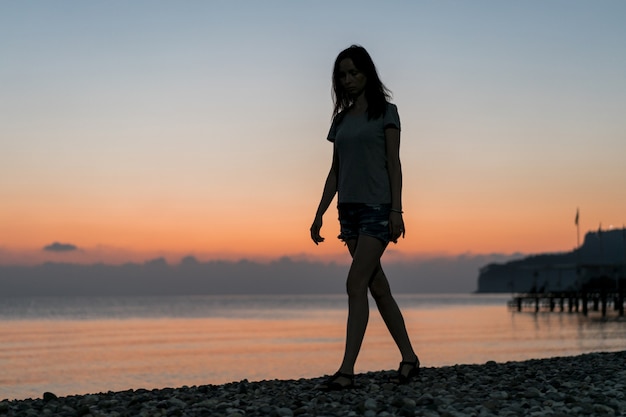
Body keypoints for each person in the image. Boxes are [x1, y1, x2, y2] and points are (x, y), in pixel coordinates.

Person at [310, 45, 420, 391]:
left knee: (354, 284)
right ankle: (410, 358)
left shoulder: (387, 113)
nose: (348, 80)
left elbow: (394, 163)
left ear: (367, 73)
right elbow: (335, 170)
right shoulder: (340, 120)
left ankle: (346, 370)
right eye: (342, 75)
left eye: (354, 73)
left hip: (377, 209)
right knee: (378, 288)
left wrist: (396, 210)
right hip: (349, 213)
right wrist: (319, 212)